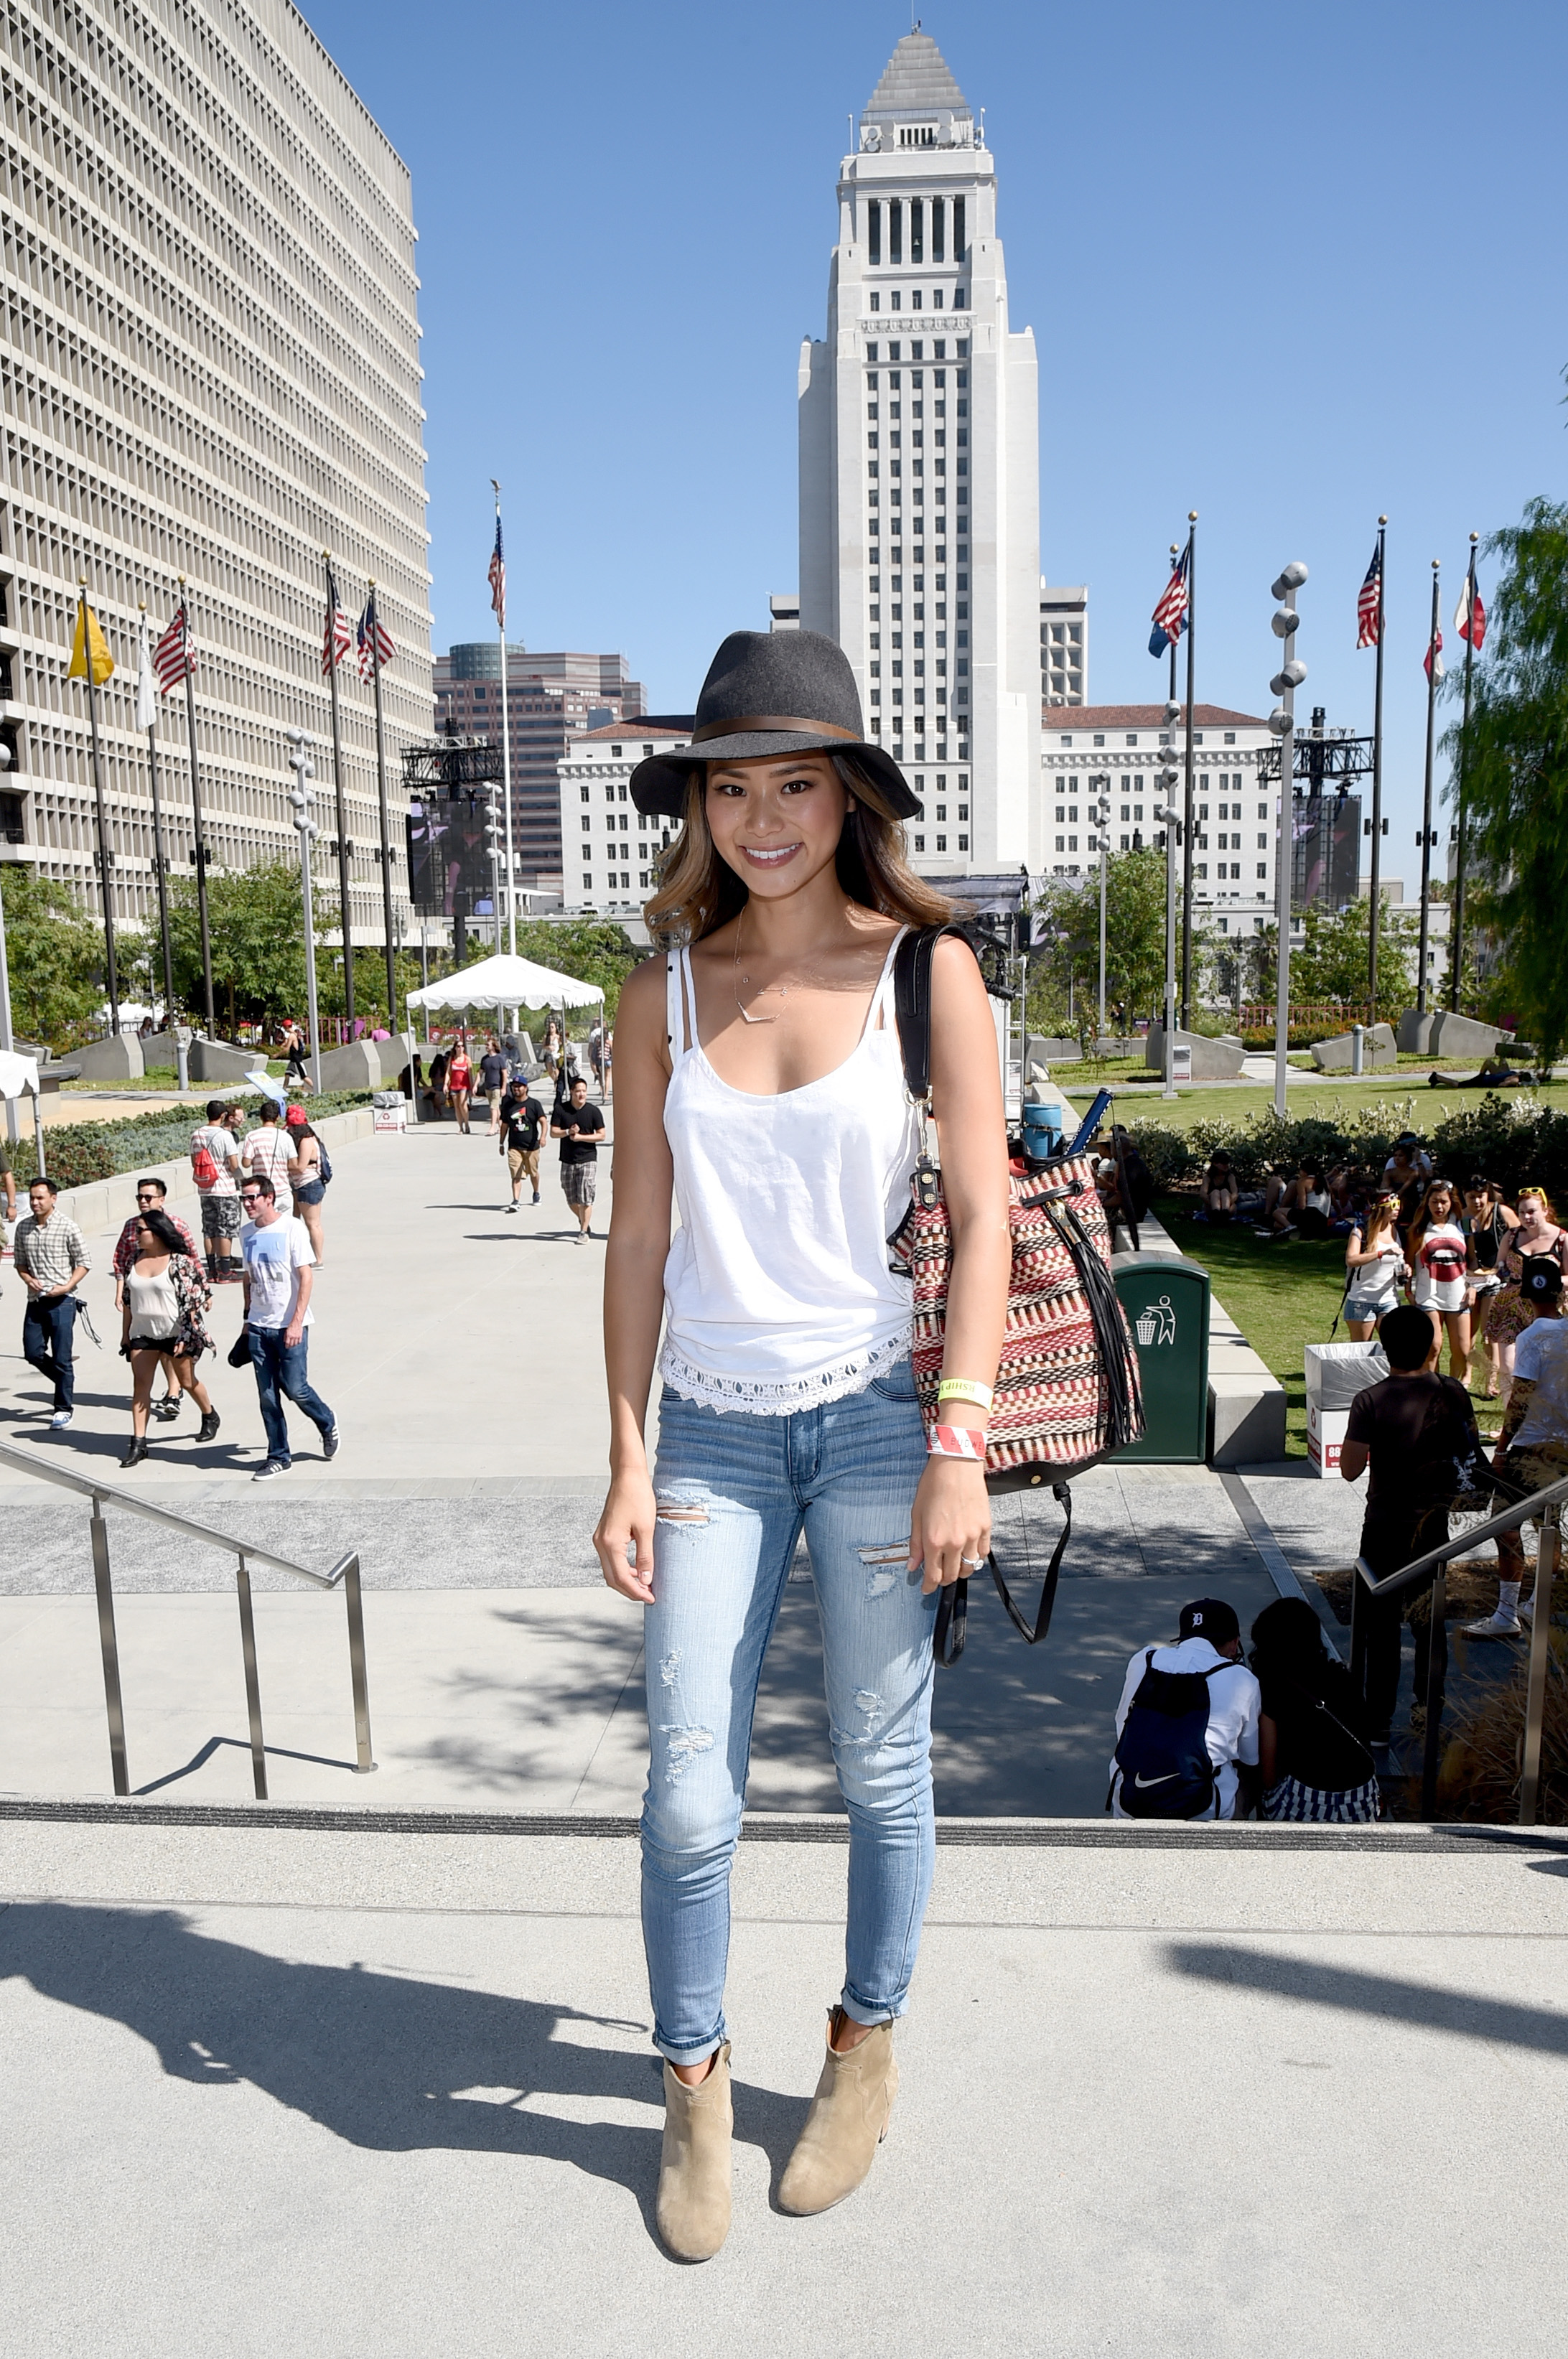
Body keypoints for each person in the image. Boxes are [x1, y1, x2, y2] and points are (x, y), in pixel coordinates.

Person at [591, 627, 1007, 2261]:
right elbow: (638, 1239)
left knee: (882, 1767)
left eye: (796, 784)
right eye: (734, 786)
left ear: (848, 798)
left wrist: (960, 1432)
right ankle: (692, 2081)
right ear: (698, 805)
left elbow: (981, 1215)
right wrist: (626, 1452)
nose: (764, 817)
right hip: (707, 1428)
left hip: (874, 1421)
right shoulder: (660, 990)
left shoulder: (927, 969)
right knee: (691, 1797)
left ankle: (863, 2046)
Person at [1340, 1303, 1482, 1742]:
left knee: (1379, 1628)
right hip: (1432, 1526)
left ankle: (1378, 1720)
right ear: (1431, 1346)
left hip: (1383, 1524)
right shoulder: (1453, 1391)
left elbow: (1348, 1469)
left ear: (1384, 1348)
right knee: (1429, 1623)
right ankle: (1429, 1714)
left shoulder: (1370, 1400)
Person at [1464, 1260, 1568, 1638]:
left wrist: (1503, 1449)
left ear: (1527, 1298)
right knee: (1549, 1527)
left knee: (1505, 1525)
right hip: (1561, 1448)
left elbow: (1521, 1399)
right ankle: (1535, 1603)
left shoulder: (1530, 1338)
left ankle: (1507, 1612)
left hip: (1529, 1447)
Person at [1109, 1597, 1262, 1820]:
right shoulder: (1242, 1680)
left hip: (1131, 1802)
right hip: (1203, 1809)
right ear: (1233, 1643)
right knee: (1243, 1780)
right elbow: (1250, 1757)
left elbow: (1121, 1724)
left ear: (1183, 1637)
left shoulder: (1143, 1660)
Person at [237, 1174, 338, 1480]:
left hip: (289, 1326)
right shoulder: (245, 1233)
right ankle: (278, 1456)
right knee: (268, 1397)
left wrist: (296, 1322)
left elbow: (306, 1277)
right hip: (258, 1326)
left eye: (252, 1197)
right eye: (243, 1198)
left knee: (296, 1388)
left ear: (268, 1197)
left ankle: (326, 1421)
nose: (247, 1204)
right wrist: (246, 1322)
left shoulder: (292, 1228)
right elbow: (248, 1279)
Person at [1249, 1597, 1379, 1823]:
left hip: (1307, 1801)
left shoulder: (1272, 1688)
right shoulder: (1345, 1679)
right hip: (1361, 1802)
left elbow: (1268, 1778)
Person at [118, 1208, 219, 1468]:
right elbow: (128, 1302)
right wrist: (125, 1336)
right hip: (143, 1333)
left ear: (158, 1233)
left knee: (186, 1381)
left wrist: (186, 1335)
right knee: (141, 1387)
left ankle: (209, 1414)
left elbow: (191, 1304)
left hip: (176, 1334)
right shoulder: (133, 1260)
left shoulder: (179, 1262)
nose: (136, 1236)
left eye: (142, 1231)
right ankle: (139, 1444)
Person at [112, 1179, 200, 1421]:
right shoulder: (131, 1226)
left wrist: (201, 1293)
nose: (143, 1201)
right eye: (139, 1197)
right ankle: (141, 1438)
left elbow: (193, 1259)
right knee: (150, 1362)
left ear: (161, 1199)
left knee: (175, 1361)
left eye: (148, 1197)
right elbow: (120, 1260)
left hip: (170, 1302)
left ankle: (182, 1395)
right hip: (141, 1298)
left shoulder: (177, 1225)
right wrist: (121, 1290)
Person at [14, 1177, 90, 1428]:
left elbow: (84, 1262)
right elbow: (20, 1263)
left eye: (40, 1198)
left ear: (53, 1199)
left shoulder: (68, 1227)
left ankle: (63, 1408)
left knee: (61, 1357)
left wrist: (67, 1286)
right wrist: (28, 1279)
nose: (35, 1202)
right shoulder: (24, 1228)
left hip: (63, 1301)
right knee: (33, 1352)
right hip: (36, 1300)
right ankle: (64, 1380)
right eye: (32, 1198)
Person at [1486, 1187, 1567, 1403]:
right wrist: (1497, 1271)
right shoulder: (1512, 1236)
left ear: (1545, 1210)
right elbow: (1498, 1267)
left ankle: (1544, 1419)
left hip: (1548, 1308)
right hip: (1510, 1306)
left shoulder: (1562, 1239)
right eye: (1522, 1213)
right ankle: (1510, 1423)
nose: (1526, 1217)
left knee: (1548, 1368)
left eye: (1532, 1211)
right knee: (1509, 1365)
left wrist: (1547, 1282)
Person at [1406, 1176, 1473, 1383]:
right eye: (1434, 1202)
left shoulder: (1463, 1226)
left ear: (1451, 1202)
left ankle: (1452, 1385)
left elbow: (1473, 1262)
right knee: (1433, 1346)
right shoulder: (1418, 1230)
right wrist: (1408, 1290)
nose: (1439, 1206)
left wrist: (1474, 1287)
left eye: (1443, 1201)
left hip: (1458, 1294)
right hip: (1429, 1295)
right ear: (1427, 1203)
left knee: (1462, 1349)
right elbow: (1408, 1263)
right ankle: (1432, 1386)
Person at [1462, 1175, 1520, 1399]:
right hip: (1473, 1277)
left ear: (1488, 1195)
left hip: (1498, 1278)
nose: (1476, 1202)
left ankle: (1491, 1381)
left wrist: (1508, 1268)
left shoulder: (1502, 1212)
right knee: (1468, 1332)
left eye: (1480, 1196)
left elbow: (1519, 1238)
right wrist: (1471, 1276)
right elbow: (1470, 1250)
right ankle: (1466, 1375)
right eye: (1471, 1197)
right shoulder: (1465, 1217)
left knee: (1490, 1333)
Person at [190, 1098, 244, 1284]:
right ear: (223, 1116)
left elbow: (194, 1163)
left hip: (205, 1189)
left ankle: (212, 1271)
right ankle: (225, 1272)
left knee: (209, 1229)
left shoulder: (196, 1135)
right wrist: (242, 1179)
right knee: (225, 1230)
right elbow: (234, 1165)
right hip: (224, 1189)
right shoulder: (225, 1136)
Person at [1343, 1194, 1409, 1342]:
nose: (1397, 1208)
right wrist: (1380, 1253)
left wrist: (1405, 1270)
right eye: (1393, 1205)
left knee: (1394, 1348)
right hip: (1361, 1300)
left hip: (1389, 1300)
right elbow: (1351, 1259)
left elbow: (1398, 1262)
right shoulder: (1361, 1231)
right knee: (1361, 1351)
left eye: (1399, 1204)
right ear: (1380, 1208)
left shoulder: (1398, 1232)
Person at [552, 1073, 605, 1241]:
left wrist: (581, 1137)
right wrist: (568, 1132)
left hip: (588, 1158)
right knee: (571, 1197)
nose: (581, 1094)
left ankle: (583, 1231)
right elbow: (554, 1132)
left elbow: (602, 1135)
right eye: (578, 1091)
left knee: (586, 1197)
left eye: (584, 1091)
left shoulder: (593, 1111)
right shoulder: (561, 1109)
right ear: (572, 1092)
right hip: (567, 1159)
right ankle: (583, 1219)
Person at [284, 1106, 327, 1267]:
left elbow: (300, 1167)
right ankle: (302, 1255)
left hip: (309, 1185)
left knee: (312, 1223)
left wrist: (283, 1165)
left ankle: (318, 1259)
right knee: (295, 1221)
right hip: (300, 1184)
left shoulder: (306, 1141)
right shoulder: (303, 1138)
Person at [500, 1073, 548, 1210]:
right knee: (516, 1174)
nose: (516, 1089)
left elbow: (543, 1121)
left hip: (532, 1147)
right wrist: (501, 1143)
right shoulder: (508, 1105)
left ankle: (536, 1193)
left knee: (533, 1173)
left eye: (519, 1087)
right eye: (514, 1087)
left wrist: (543, 1137)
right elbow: (504, 1125)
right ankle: (515, 1200)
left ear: (526, 1088)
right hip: (514, 1147)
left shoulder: (534, 1104)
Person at [240, 1097, 293, 1218]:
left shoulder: (252, 1136)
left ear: (261, 1117)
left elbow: (246, 1163)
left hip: (262, 1192)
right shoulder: (286, 1137)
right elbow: (293, 1163)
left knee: (264, 1226)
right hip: (283, 1189)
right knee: (284, 1227)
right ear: (278, 1117)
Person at [478, 1035, 508, 1134]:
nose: (486, 1046)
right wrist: (475, 1085)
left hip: (497, 1087)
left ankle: (492, 1128)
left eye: (488, 1044)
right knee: (495, 1108)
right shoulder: (484, 1059)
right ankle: (502, 1125)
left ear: (493, 1046)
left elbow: (504, 1073)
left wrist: (504, 1088)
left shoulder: (500, 1058)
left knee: (492, 1107)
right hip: (488, 1087)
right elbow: (480, 1073)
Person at [1200, 1150, 1238, 1223]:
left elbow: (1235, 1194)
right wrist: (1213, 1203)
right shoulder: (1208, 1177)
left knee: (1225, 1191)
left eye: (1227, 1163)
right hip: (1211, 1205)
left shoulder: (1230, 1177)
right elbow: (1203, 1194)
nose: (1226, 1165)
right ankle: (1216, 1213)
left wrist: (1227, 1202)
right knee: (1215, 1192)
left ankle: (1224, 1213)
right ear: (1215, 1164)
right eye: (1223, 1163)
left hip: (1228, 1205)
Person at [446, 1037, 473, 1134]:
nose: (460, 1048)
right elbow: (448, 1073)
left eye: (462, 1046)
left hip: (464, 1085)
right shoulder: (452, 1059)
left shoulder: (467, 1059)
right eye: (458, 1046)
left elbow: (470, 1074)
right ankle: (461, 1127)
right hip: (454, 1085)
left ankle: (467, 1124)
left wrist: (472, 1087)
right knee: (457, 1106)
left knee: (463, 1104)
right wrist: (445, 1084)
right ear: (455, 1048)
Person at [281, 1019, 308, 1085]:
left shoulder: (292, 1036)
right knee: (287, 1074)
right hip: (293, 1060)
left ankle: (318, 1090)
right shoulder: (295, 1034)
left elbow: (287, 1049)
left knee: (304, 1077)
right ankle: (284, 1090)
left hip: (297, 1060)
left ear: (287, 1027)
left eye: (284, 1028)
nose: (284, 1029)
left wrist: (276, 1055)